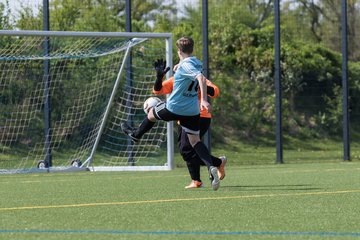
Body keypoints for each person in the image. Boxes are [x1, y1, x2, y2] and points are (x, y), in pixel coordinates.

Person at [122, 36, 222, 190]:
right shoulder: (196, 63)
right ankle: (211, 166)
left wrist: (204, 100)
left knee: (151, 115)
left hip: (176, 107)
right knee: (195, 142)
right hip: (192, 112)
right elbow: (159, 89)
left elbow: (200, 78)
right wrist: (163, 75)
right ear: (192, 49)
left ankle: (136, 135)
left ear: (178, 51)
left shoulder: (187, 66)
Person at [152, 74, 227, 189]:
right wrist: (159, 77)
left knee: (188, 149)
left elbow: (215, 92)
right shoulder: (177, 79)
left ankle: (212, 167)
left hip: (202, 116)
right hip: (184, 118)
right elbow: (158, 90)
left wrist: (200, 85)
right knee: (186, 150)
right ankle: (201, 176)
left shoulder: (200, 78)